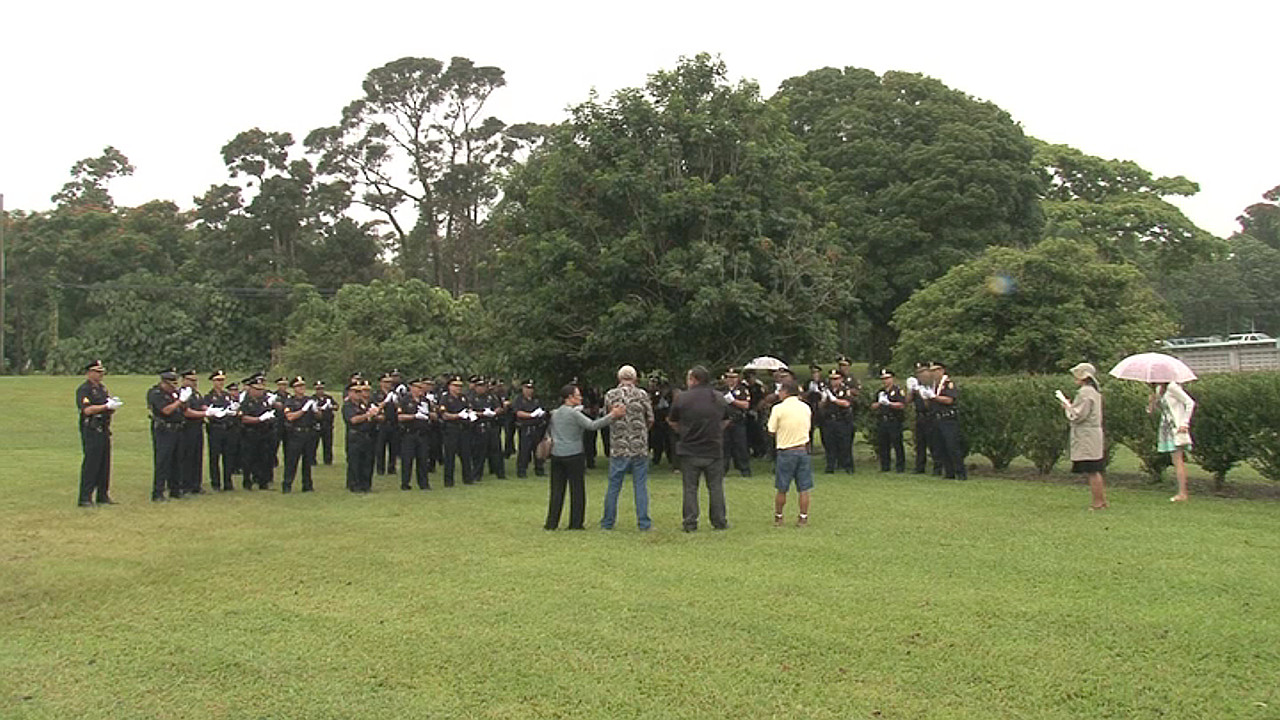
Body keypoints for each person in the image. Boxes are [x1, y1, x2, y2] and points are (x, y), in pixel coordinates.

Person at [545, 384, 624, 530]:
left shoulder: (555, 413)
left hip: (557, 454)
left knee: (556, 490)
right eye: (577, 395)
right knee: (577, 490)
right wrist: (612, 415)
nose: (580, 397)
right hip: (573, 454)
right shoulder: (574, 414)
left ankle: (551, 523)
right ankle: (575, 523)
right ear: (569, 397)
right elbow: (592, 425)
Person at [668, 365, 730, 532]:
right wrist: (716, 431)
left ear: (693, 379)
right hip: (713, 448)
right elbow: (726, 419)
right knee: (716, 487)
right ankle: (719, 521)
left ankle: (690, 522)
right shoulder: (718, 397)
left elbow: (672, 420)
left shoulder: (682, 398)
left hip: (689, 449)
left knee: (690, 488)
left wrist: (683, 432)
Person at [600, 365, 655, 531]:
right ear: (635, 378)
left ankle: (608, 522)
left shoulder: (611, 395)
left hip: (619, 445)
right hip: (639, 446)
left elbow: (607, 417)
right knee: (640, 485)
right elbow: (650, 418)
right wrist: (642, 431)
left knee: (614, 485)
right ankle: (644, 523)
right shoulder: (642, 394)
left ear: (619, 378)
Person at [1059, 362, 1108, 509]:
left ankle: (1098, 502)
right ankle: (1101, 501)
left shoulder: (1085, 392)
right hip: (1091, 433)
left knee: (1093, 470)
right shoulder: (1092, 391)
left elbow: (1079, 415)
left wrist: (1067, 407)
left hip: (1087, 435)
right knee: (1095, 469)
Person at [767, 378, 813, 526]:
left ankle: (779, 517)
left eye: (780, 390)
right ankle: (803, 517)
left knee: (782, 488)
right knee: (804, 488)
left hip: (786, 451)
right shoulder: (806, 407)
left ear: (785, 392)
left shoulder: (778, 409)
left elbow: (771, 429)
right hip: (802, 450)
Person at [75, 360, 119, 507]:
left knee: (104, 463)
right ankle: (85, 497)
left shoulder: (102, 389)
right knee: (91, 463)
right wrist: (105, 406)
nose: (100, 375)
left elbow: (106, 407)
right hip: (92, 429)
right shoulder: (84, 390)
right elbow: (87, 410)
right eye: (97, 372)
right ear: (89, 372)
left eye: (102, 372)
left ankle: (102, 495)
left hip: (104, 428)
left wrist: (111, 406)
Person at [1149, 379, 1196, 502]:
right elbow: (1153, 411)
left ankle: (1183, 493)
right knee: (1175, 460)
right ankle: (1181, 492)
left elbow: (1190, 403)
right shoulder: (1160, 390)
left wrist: (1185, 422)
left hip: (1176, 428)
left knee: (1178, 460)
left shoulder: (1173, 387)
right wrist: (1152, 402)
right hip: (1166, 428)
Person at [147, 369, 186, 502]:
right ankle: (158, 492)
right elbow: (166, 410)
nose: (174, 387)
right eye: (171, 385)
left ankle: (175, 489)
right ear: (164, 383)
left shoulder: (174, 393)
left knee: (177, 460)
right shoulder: (156, 393)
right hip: (164, 430)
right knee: (163, 461)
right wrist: (179, 401)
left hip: (177, 429)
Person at [924, 361, 967, 480]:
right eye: (931, 371)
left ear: (942, 370)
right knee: (940, 447)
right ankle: (949, 472)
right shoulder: (934, 385)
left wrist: (934, 397)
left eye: (935, 371)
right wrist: (926, 398)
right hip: (936, 418)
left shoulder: (948, 384)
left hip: (948, 419)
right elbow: (930, 405)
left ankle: (960, 472)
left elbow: (949, 400)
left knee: (952, 446)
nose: (933, 373)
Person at [238, 375, 277, 491]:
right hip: (250, 433)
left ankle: (262, 482)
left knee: (264, 458)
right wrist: (258, 419)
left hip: (264, 433)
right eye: (257, 389)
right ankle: (247, 481)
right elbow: (243, 418)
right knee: (248, 458)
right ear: (251, 389)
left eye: (261, 389)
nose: (260, 392)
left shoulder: (264, 402)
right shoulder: (246, 402)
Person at [281, 376, 319, 493]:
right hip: (295, 434)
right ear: (294, 388)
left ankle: (307, 485)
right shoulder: (290, 401)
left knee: (308, 462)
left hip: (308, 433)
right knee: (292, 461)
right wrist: (303, 410)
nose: (301, 388)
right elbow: (290, 416)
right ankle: (287, 484)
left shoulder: (309, 400)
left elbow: (319, 417)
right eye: (298, 386)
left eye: (303, 386)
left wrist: (316, 410)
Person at [396, 377, 435, 490]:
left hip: (423, 434)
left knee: (423, 459)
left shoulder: (425, 401)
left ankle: (424, 483)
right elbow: (400, 417)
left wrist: (428, 413)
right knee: (407, 460)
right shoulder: (405, 400)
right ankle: (405, 483)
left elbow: (434, 416)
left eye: (422, 388)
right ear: (411, 388)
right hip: (409, 433)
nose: (420, 390)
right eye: (418, 387)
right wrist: (414, 416)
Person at [204, 370, 240, 491]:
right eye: (218, 380)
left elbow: (234, 409)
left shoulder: (227, 395)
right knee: (214, 457)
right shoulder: (208, 397)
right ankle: (216, 482)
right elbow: (207, 410)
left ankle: (228, 481)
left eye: (222, 380)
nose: (220, 383)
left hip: (228, 428)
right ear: (213, 382)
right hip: (216, 428)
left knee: (228, 456)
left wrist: (234, 411)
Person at [343, 379, 379, 493]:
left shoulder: (364, 405)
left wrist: (374, 415)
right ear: (350, 393)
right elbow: (353, 420)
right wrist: (368, 415)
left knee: (368, 461)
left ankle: (366, 485)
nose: (358, 394)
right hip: (355, 436)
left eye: (359, 392)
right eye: (355, 392)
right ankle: (355, 485)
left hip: (367, 436)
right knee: (355, 462)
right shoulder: (348, 406)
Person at [439, 375, 475, 487]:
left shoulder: (464, 398)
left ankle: (468, 478)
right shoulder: (445, 398)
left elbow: (469, 409)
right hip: (451, 429)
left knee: (466, 455)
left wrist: (470, 414)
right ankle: (449, 481)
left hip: (464, 429)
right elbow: (444, 415)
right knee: (450, 456)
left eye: (460, 386)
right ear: (450, 386)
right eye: (455, 385)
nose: (458, 388)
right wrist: (457, 415)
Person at [177, 369, 208, 494]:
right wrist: (205, 413)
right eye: (191, 380)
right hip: (186, 428)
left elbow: (201, 405)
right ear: (183, 380)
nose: (194, 383)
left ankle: (196, 484)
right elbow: (187, 412)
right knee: (187, 456)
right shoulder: (182, 394)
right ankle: (185, 484)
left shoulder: (196, 394)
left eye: (195, 380)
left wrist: (213, 410)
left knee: (197, 456)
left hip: (197, 427)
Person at [870, 368, 907, 473]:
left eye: (887, 378)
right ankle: (885, 466)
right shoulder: (880, 392)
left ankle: (900, 467)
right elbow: (872, 405)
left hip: (894, 420)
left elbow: (902, 405)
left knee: (897, 444)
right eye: (883, 379)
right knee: (883, 444)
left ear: (892, 379)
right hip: (882, 420)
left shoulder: (897, 391)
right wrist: (879, 403)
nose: (885, 381)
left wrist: (889, 403)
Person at [819, 370, 856, 473]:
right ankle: (830, 467)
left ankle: (848, 467)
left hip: (842, 420)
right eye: (831, 379)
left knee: (845, 445)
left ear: (841, 379)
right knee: (829, 445)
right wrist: (823, 399)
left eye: (836, 379)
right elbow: (821, 407)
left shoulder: (845, 390)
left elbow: (847, 403)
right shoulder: (827, 390)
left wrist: (834, 400)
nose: (833, 381)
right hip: (829, 420)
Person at [908, 362, 941, 475]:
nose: (921, 376)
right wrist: (911, 390)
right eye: (919, 374)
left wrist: (923, 395)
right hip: (920, 417)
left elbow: (928, 404)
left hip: (931, 417)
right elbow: (907, 401)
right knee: (920, 443)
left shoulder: (933, 387)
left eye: (923, 373)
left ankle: (937, 467)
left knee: (933, 443)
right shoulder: (917, 386)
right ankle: (919, 466)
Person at [512, 379, 549, 478]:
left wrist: (542, 413)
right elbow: (518, 412)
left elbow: (544, 409)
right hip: (526, 427)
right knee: (524, 450)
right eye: (527, 388)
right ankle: (521, 471)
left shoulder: (537, 399)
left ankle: (539, 469)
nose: (530, 390)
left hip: (538, 427)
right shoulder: (519, 399)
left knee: (538, 449)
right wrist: (531, 415)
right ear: (523, 388)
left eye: (531, 388)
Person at [721, 368, 752, 477]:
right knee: (724, 447)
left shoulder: (742, 389)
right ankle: (722, 470)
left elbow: (746, 405)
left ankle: (745, 470)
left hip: (738, 421)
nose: (731, 380)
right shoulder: (721, 390)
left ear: (738, 378)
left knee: (741, 446)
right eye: (729, 377)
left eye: (733, 377)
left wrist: (733, 401)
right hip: (723, 422)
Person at [313, 380, 336, 465]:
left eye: (321, 389)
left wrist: (331, 406)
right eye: (318, 389)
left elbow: (336, 406)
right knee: (314, 444)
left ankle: (328, 460)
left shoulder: (328, 398)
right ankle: (312, 460)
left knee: (328, 443)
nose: (320, 391)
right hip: (317, 424)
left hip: (328, 423)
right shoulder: (313, 398)